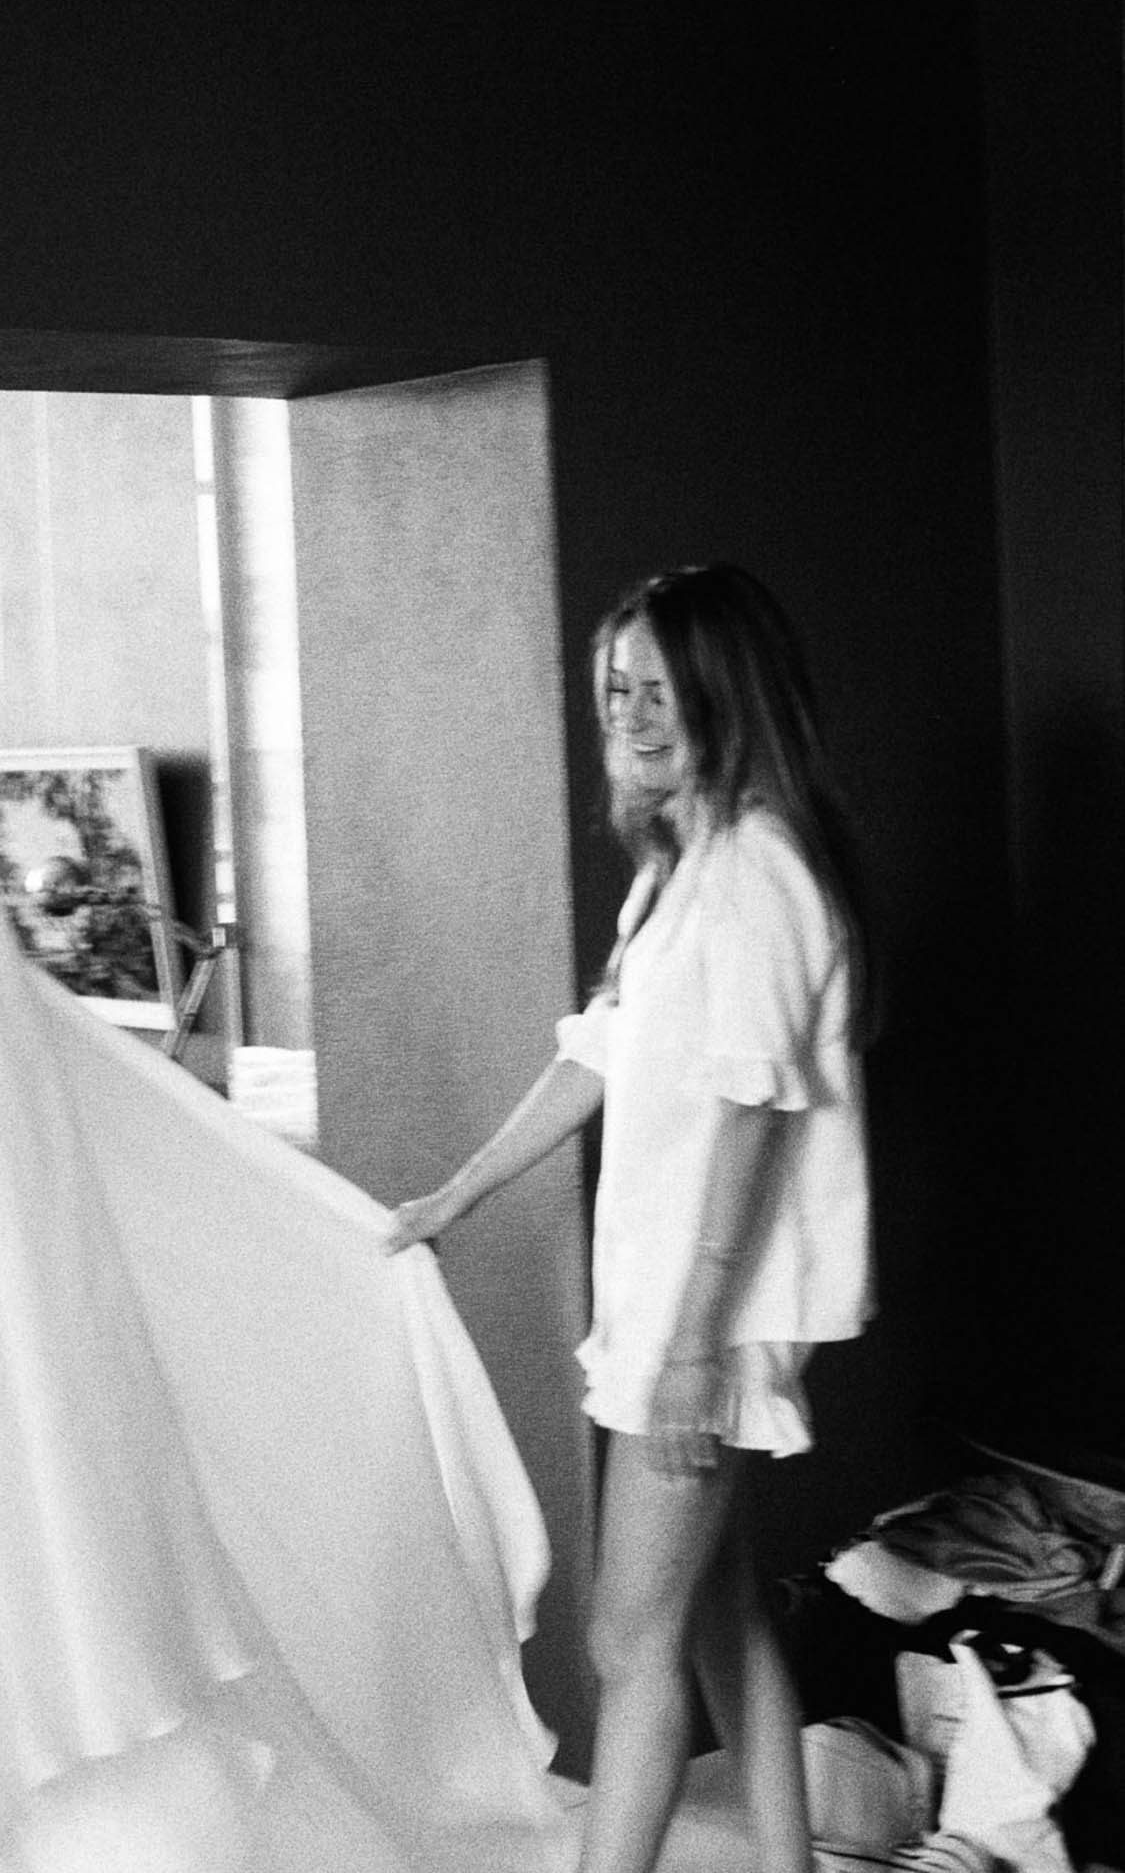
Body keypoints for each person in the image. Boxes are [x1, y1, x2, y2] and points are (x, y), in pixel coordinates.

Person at [386, 563, 877, 1873]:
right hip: (666, 1305)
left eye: (663, 688)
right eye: (617, 687)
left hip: (706, 1318)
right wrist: (455, 1195)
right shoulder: (679, 870)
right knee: (716, 1617)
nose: (633, 714)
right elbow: (594, 1056)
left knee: (627, 1640)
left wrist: (695, 1347)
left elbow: (753, 1117)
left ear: (728, 694)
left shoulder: (758, 871)